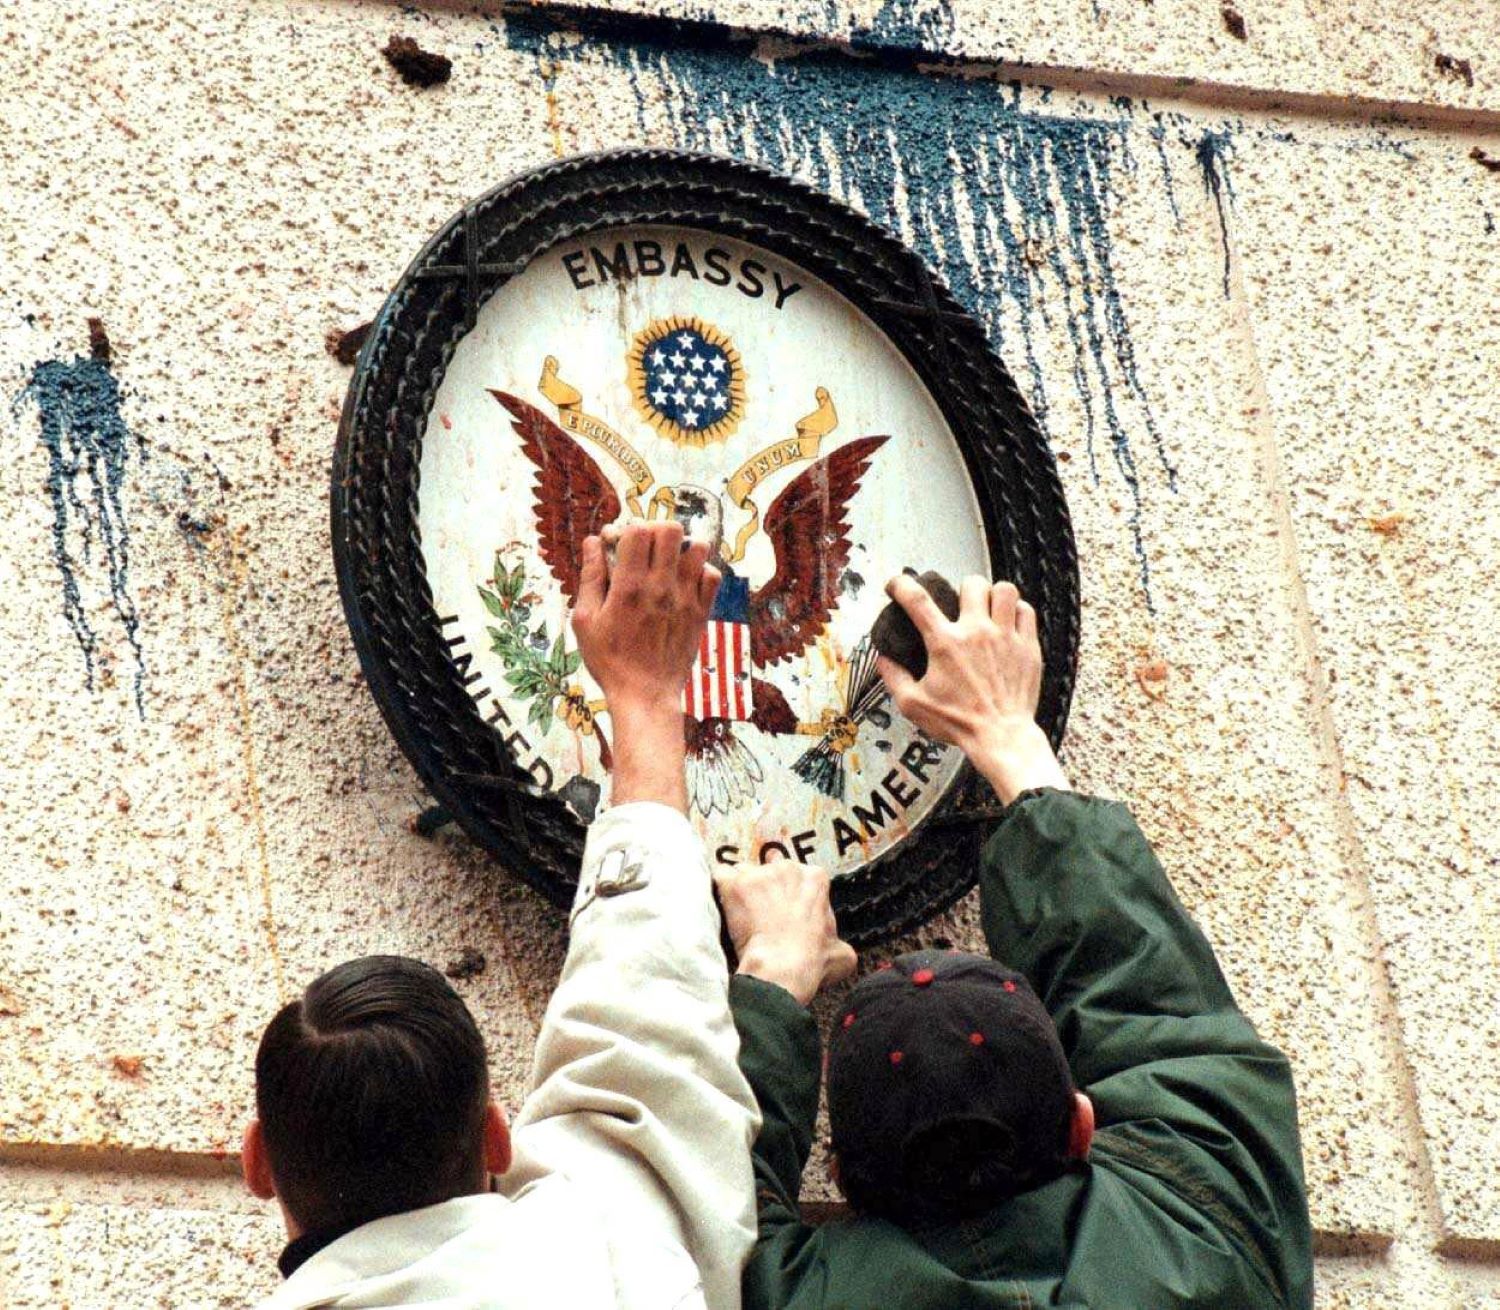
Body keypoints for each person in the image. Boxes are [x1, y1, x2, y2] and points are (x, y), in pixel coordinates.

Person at [241, 520, 854, 1310]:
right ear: (498, 1136)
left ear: (258, 1163)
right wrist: (645, 697)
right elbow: (645, 1016)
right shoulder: (607, 1259)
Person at [715, 574, 1315, 1309]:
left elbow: (707, 1200)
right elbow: (1154, 1010)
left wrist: (772, 975)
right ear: (1081, 1125)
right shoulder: (1214, 1233)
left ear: (838, 1181)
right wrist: (1005, 736)